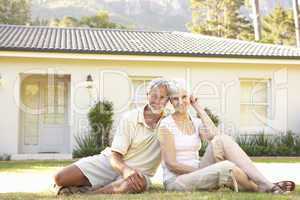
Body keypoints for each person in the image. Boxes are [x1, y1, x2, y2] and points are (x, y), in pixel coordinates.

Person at [158, 80, 295, 194]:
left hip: (198, 170)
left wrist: (198, 107)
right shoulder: (166, 125)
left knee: (222, 140)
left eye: (184, 97)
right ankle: (266, 186)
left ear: (189, 98)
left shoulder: (195, 122)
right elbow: (172, 164)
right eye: (175, 99)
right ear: (170, 101)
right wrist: (204, 171)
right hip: (177, 180)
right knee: (227, 167)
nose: (180, 102)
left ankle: (265, 184)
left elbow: (215, 136)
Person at [54, 78, 170, 195]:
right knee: (60, 178)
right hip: (112, 163)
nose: (157, 101)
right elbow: (115, 156)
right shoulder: (130, 118)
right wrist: (125, 170)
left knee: (134, 183)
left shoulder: (170, 122)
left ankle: (89, 194)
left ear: (167, 100)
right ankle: (98, 185)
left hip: (139, 173)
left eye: (162, 97)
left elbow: (186, 122)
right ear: (147, 95)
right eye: (154, 96)